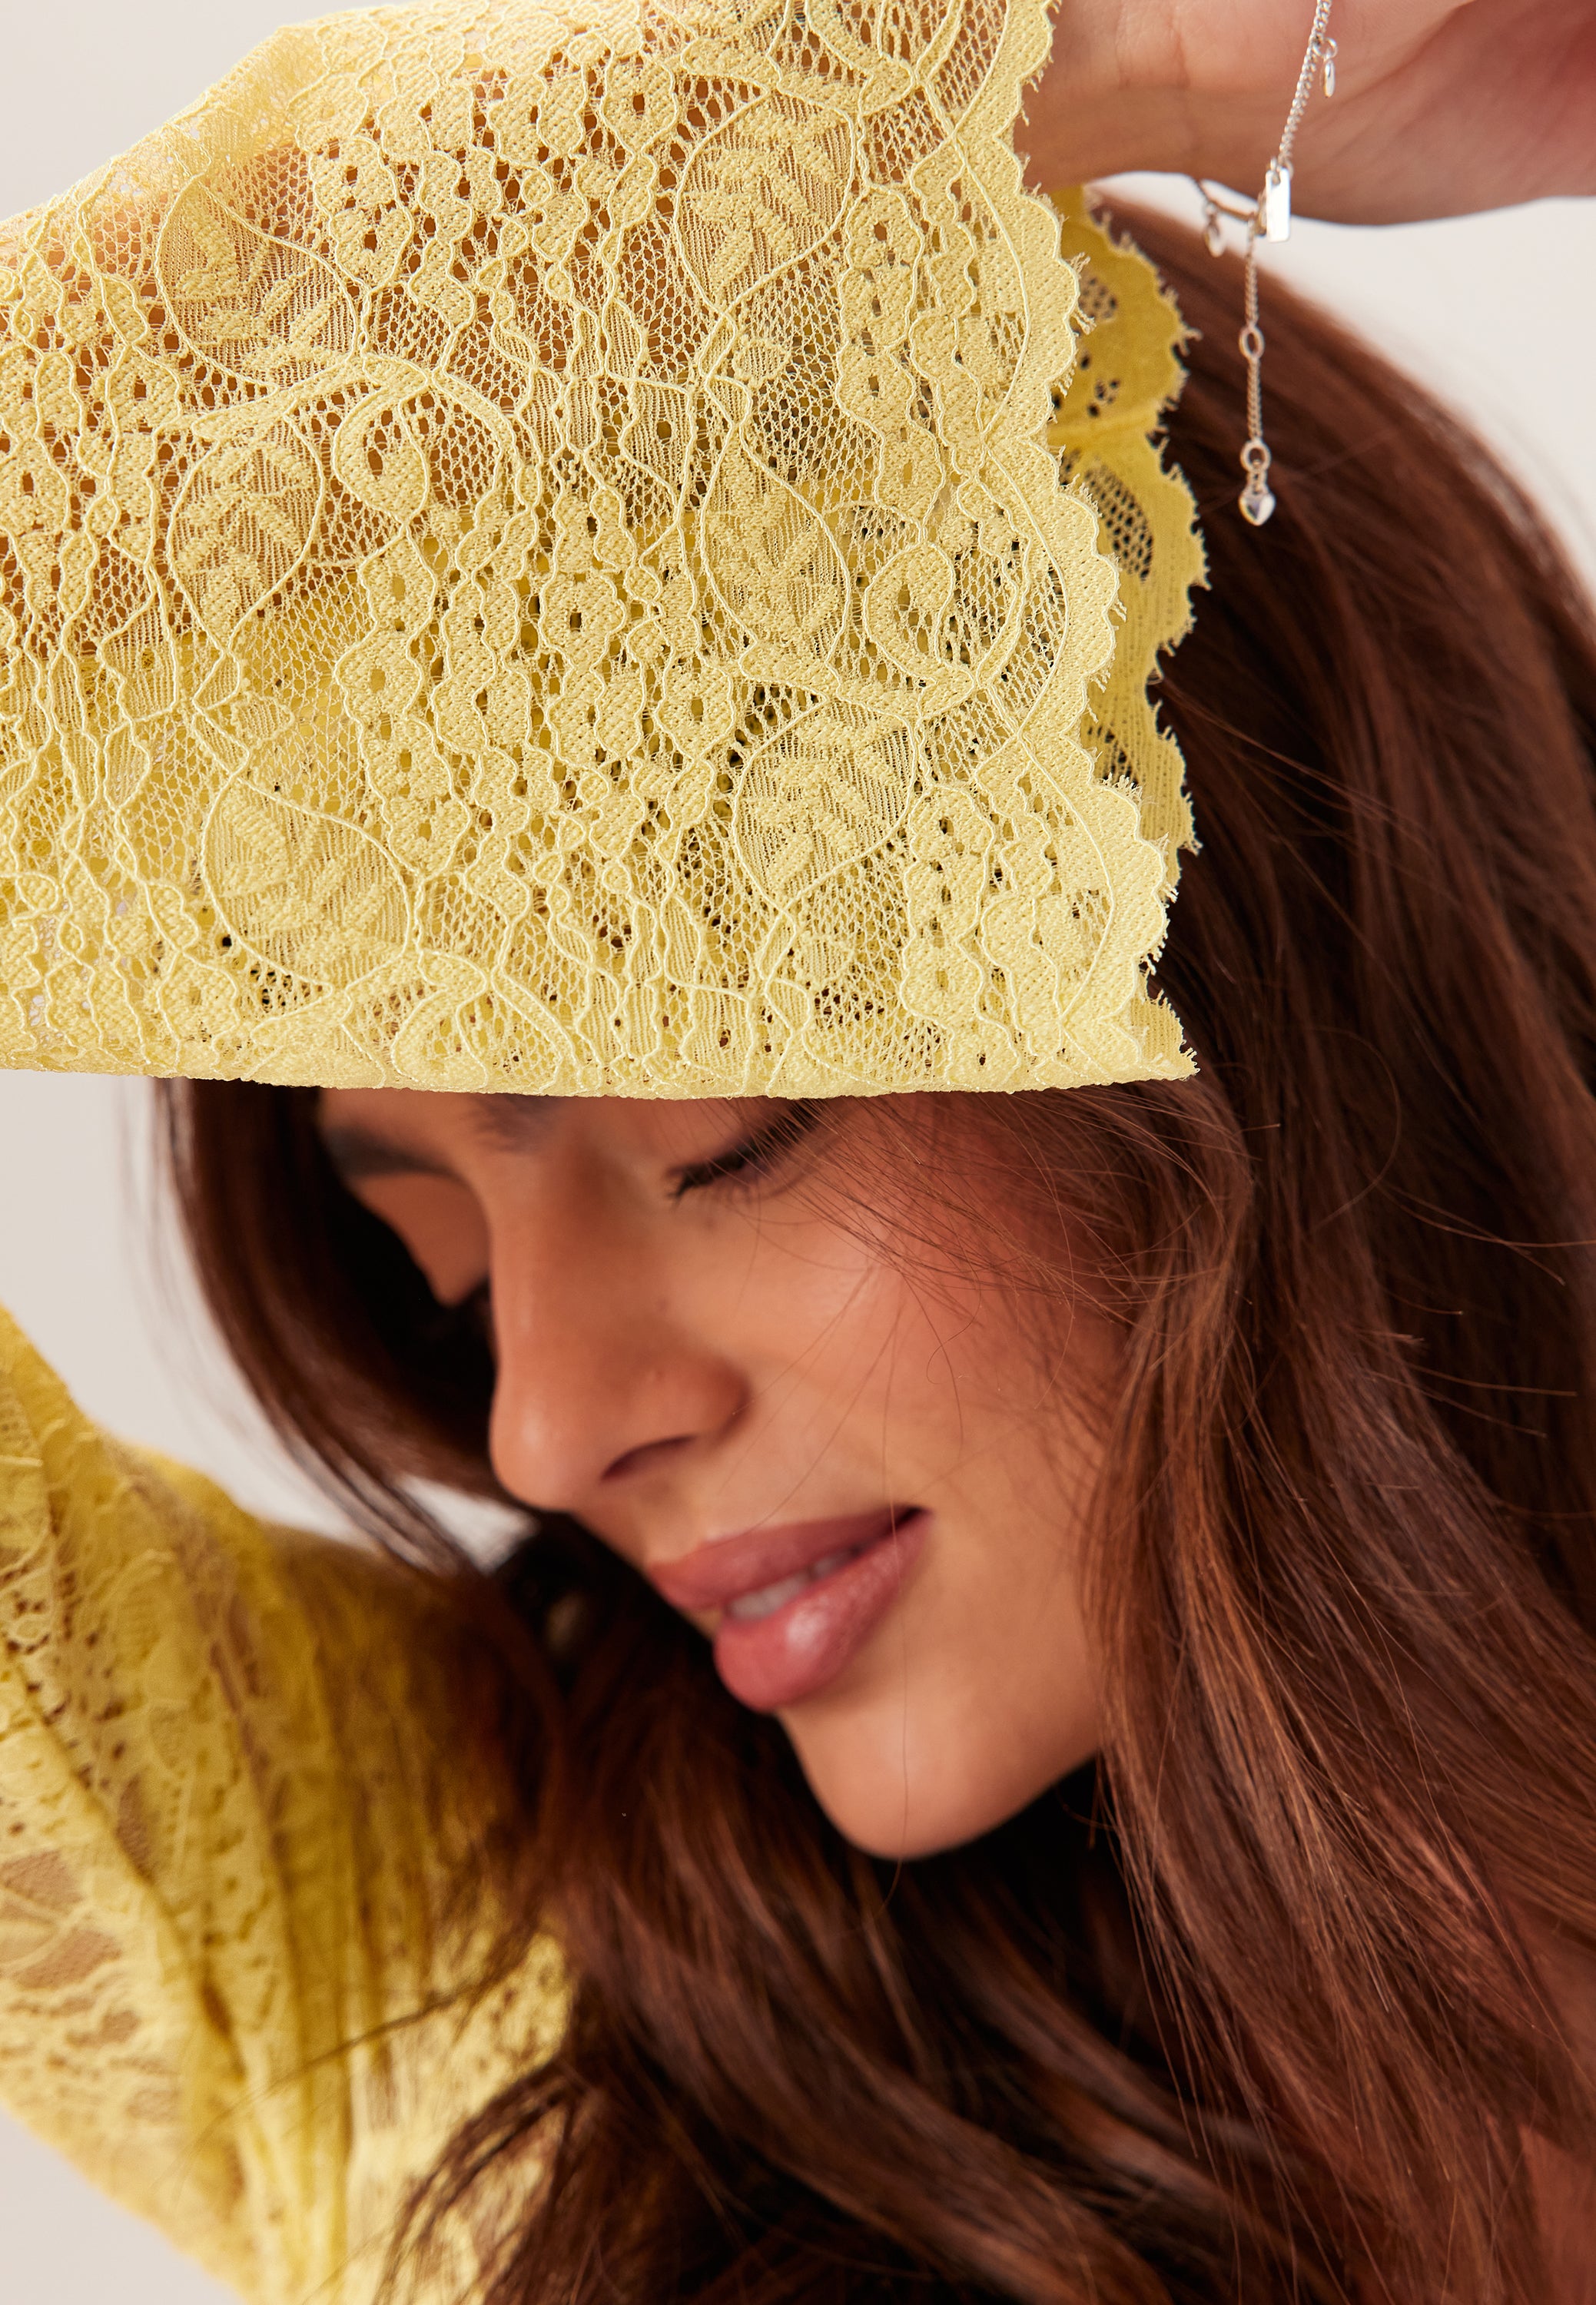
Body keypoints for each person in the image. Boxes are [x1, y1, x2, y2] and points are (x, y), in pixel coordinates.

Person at [0, 2, 1593, 2302]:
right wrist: (1081, 45)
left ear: (1250, 948)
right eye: (449, 1270)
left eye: (712, 1146)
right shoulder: (452, 1981)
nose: (542, 1428)